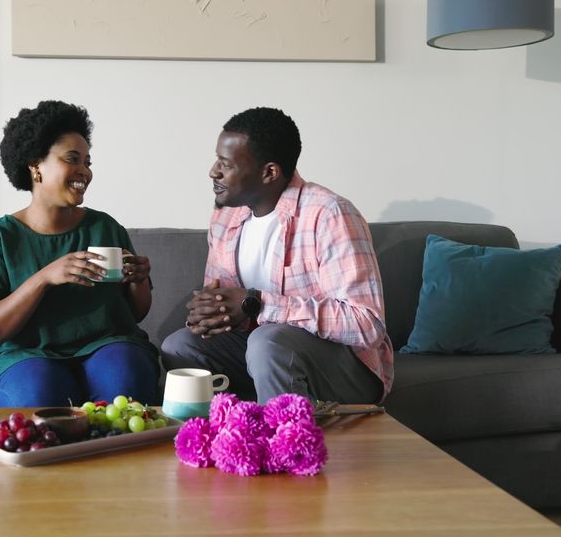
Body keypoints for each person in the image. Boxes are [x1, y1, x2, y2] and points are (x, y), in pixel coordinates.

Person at [160, 107, 393, 404]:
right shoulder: (225, 216)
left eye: (225, 164)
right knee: (180, 346)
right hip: (264, 354)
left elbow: (366, 324)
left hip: (345, 369)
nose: (213, 171)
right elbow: (226, 303)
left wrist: (257, 302)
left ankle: (285, 445)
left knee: (266, 341)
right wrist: (210, 312)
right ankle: (227, 437)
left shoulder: (329, 214)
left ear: (269, 172)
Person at [0, 100, 158, 407]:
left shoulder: (105, 227)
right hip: (21, 357)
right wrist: (44, 278)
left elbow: (135, 314)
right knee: (41, 389)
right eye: (72, 159)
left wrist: (138, 281)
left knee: (124, 374)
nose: (84, 171)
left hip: (104, 347)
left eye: (88, 162)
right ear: (36, 166)